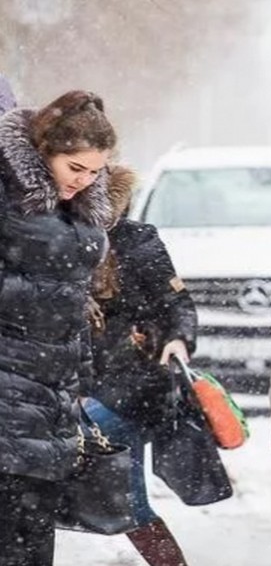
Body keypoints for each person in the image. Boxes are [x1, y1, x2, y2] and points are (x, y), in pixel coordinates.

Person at [0, 90, 116, 566]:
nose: (84, 182)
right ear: (46, 149)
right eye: (75, 168)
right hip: (8, 387)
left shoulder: (79, 209)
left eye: (95, 172)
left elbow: (68, 303)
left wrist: (79, 379)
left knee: (32, 539)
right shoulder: (8, 193)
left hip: (50, 396)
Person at [83, 164, 198, 566]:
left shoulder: (139, 241)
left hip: (133, 382)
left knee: (125, 500)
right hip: (75, 379)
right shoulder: (60, 240)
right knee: (126, 503)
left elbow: (177, 303)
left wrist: (178, 340)